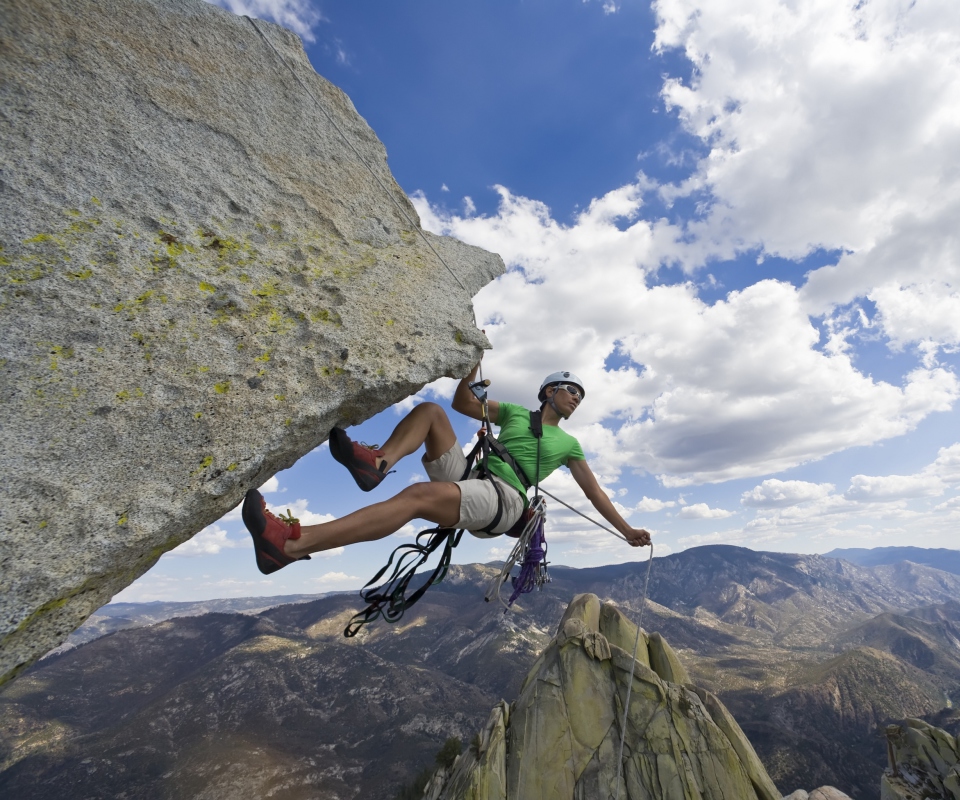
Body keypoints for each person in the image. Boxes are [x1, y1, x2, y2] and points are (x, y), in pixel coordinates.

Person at [242, 366, 652, 574]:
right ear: (549, 392)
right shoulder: (511, 413)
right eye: (571, 390)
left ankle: (291, 545)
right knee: (433, 413)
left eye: (581, 396)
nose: (577, 398)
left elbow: (594, 493)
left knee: (418, 497)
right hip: (475, 479)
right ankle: (377, 464)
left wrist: (626, 530)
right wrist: (471, 367)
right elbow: (461, 404)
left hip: (505, 500)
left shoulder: (570, 445)